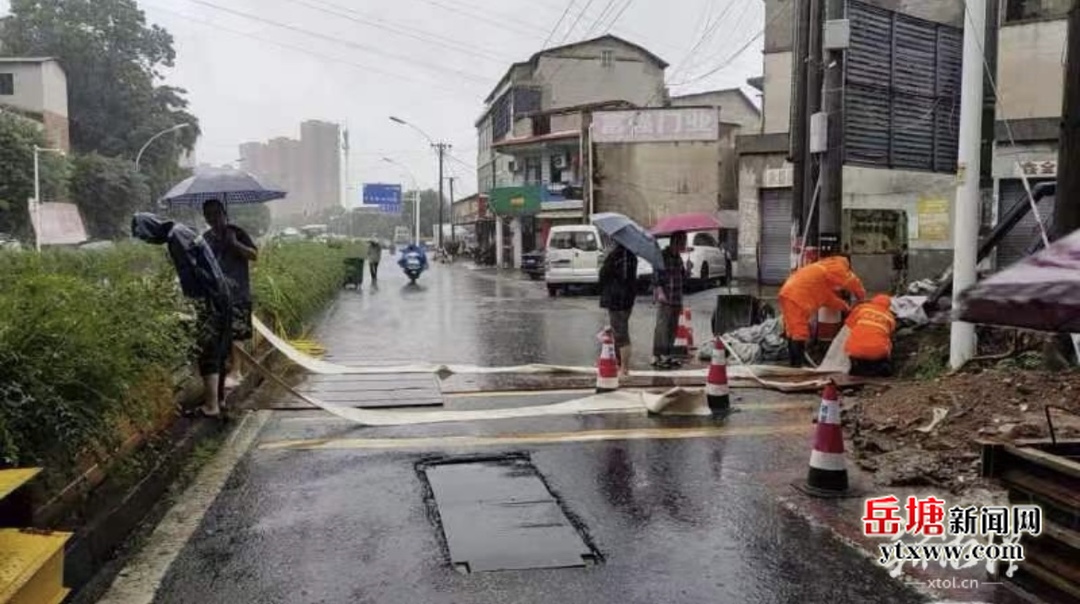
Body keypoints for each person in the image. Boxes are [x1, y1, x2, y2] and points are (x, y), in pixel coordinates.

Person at [132, 213, 231, 419]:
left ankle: (211, 407)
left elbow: (191, 273)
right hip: (219, 294)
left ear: (151, 229)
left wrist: (192, 304)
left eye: (146, 237)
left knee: (208, 351)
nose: (149, 242)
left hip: (210, 298)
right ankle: (219, 401)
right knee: (218, 350)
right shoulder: (181, 230)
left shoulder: (176, 237)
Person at [201, 199, 258, 392]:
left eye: (217, 213)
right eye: (209, 214)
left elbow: (254, 255)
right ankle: (225, 370)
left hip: (238, 292)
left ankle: (236, 371)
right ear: (205, 217)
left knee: (237, 332)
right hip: (216, 295)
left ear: (224, 213)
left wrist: (235, 244)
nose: (213, 217)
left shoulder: (237, 232)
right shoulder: (205, 238)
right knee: (219, 334)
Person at [778, 254, 867, 367]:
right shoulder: (837, 266)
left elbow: (830, 300)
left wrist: (846, 308)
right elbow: (851, 281)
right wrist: (862, 296)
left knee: (792, 331)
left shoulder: (821, 274)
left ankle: (794, 365)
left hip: (787, 294)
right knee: (799, 333)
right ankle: (797, 367)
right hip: (797, 297)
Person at [599, 241, 638, 375]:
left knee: (621, 334)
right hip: (628, 299)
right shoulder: (632, 256)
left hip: (616, 299)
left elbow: (603, 275)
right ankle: (620, 364)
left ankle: (624, 368)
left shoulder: (615, 255)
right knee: (620, 331)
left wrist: (606, 260)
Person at [652, 231, 688, 369]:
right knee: (662, 328)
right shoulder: (663, 256)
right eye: (683, 242)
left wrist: (687, 270)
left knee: (673, 328)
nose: (684, 245)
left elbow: (682, 277)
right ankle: (657, 355)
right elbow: (656, 275)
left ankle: (668, 354)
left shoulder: (678, 258)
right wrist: (660, 291)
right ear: (675, 242)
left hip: (676, 298)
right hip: (666, 298)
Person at [844, 294, 897, 377]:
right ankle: (880, 367)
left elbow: (849, 324)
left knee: (853, 340)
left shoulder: (862, 308)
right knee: (887, 342)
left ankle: (858, 368)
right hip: (878, 353)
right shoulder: (890, 317)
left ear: (873, 301)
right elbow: (890, 333)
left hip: (855, 351)